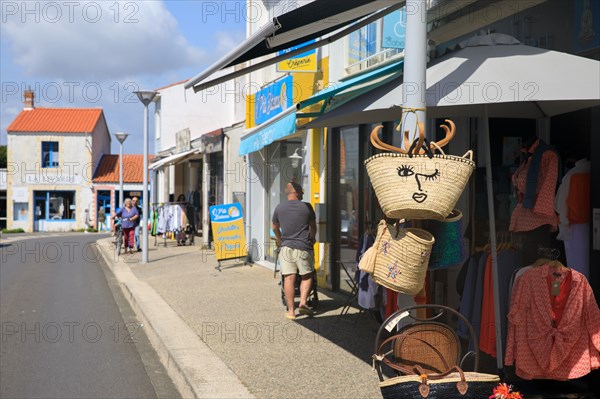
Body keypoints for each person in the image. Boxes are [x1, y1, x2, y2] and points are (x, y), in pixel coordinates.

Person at [272, 181, 317, 320]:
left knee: (289, 278)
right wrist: (312, 238)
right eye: (302, 191)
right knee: (307, 275)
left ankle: (291, 311)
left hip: (286, 248)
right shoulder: (307, 207)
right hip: (303, 247)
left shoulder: (280, 208)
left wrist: (280, 240)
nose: (303, 193)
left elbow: (274, 227)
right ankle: (303, 302)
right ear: (296, 192)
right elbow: (313, 227)